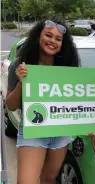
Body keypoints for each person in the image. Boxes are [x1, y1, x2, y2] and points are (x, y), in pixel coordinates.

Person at [6, 19, 80, 184]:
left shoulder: (67, 67)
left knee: (48, 179)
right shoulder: (20, 65)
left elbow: (77, 103)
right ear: (38, 36)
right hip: (33, 131)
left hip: (60, 131)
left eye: (58, 39)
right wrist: (21, 83)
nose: (52, 41)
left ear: (63, 43)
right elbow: (10, 105)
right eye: (48, 35)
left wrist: (90, 125)